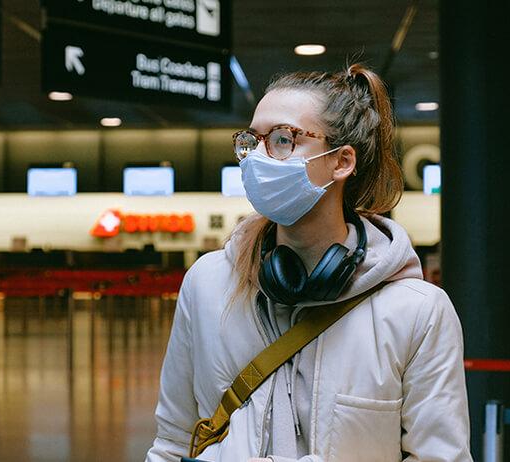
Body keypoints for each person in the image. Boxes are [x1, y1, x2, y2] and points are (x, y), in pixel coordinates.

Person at [145, 64, 471, 462]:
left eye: (284, 139)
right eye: (252, 141)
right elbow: (172, 443)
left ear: (341, 161)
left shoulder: (418, 313)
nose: (258, 159)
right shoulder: (207, 284)